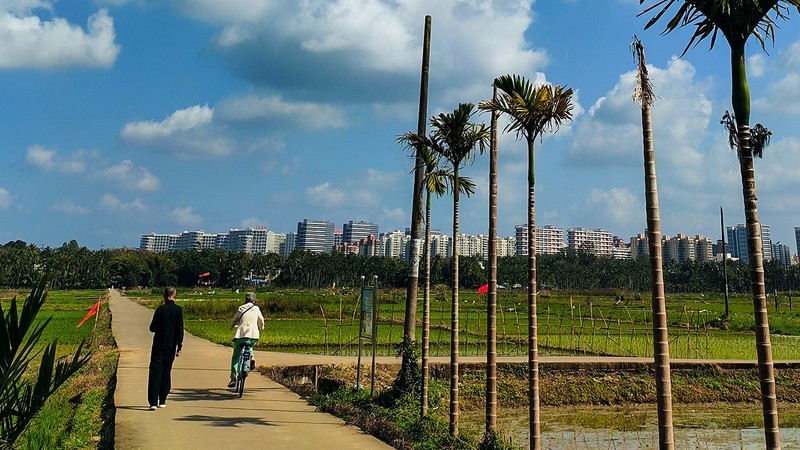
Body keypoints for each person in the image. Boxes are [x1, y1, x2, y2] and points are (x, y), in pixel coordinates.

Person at [147, 286, 184, 410]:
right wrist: (180, 345)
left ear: (164, 295)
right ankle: (162, 399)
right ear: (174, 295)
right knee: (166, 371)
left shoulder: (160, 310)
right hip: (171, 345)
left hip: (158, 344)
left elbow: (152, 328)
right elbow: (180, 329)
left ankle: (153, 402)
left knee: (155, 372)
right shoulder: (178, 310)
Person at [228, 292, 265, 388]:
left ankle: (233, 378)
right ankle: (252, 357)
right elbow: (261, 320)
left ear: (245, 300)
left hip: (240, 335)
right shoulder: (256, 309)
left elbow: (234, 320)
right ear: (254, 300)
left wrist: (231, 327)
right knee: (250, 344)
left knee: (235, 357)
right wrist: (261, 328)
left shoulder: (241, 308)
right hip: (253, 335)